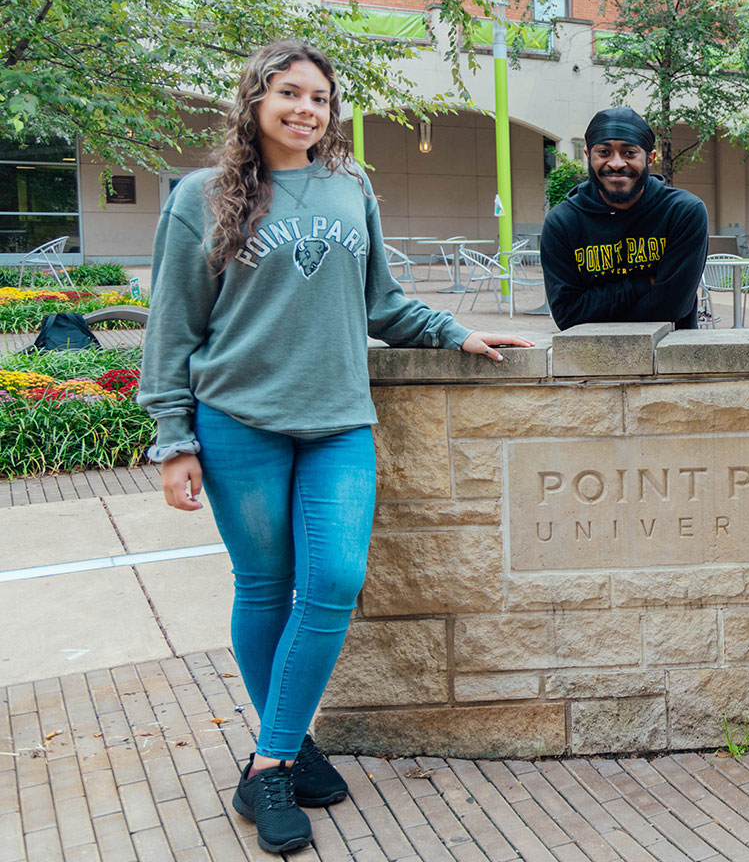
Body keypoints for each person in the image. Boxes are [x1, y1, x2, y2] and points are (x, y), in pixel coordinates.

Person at [138, 41, 533, 855]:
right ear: (255, 99)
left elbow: (382, 302)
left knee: (335, 581)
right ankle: (288, 753)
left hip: (339, 420)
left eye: (319, 98)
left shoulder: (351, 188)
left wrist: (454, 332)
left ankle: (267, 762)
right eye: (290, 93)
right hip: (238, 419)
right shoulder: (200, 198)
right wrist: (174, 440)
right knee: (265, 587)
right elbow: (172, 326)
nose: (306, 110)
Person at [539, 107, 709, 330]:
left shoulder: (682, 212)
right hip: (589, 351)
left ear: (650, 158)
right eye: (604, 152)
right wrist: (645, 283)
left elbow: (672, 307)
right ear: (588, 156)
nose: (616, 163)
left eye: (629, 153)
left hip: (669, 349)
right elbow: (567, 315)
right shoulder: (563, 222)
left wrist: (593, 305)